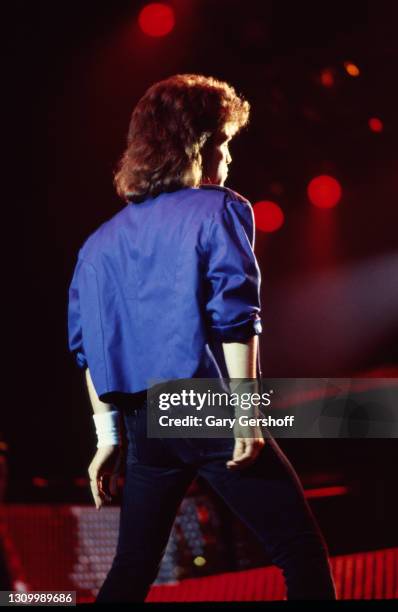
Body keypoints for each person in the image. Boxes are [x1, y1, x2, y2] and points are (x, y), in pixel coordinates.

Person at [67, 74, 336, 602]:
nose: (230, 158)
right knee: (299, 550)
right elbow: (236, 317)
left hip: (148, 425)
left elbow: (89, 352)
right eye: (224, 143)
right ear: (195, 145)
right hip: (205, 408)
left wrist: (109, 440)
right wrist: (246, 415)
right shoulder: (220, 208)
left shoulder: (97, 247)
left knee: (131, 571)